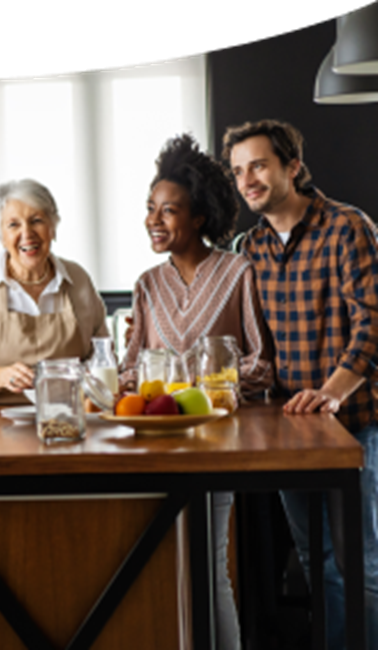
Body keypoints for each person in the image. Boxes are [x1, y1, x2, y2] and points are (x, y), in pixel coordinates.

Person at [223, 118, 378, 650]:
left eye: (259, 165)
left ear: (292, 167)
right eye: (239, 171)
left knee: (364, 563)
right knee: (315, 559)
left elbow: (373, 322)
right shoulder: (251, 247)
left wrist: (334, 391)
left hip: (355, 427)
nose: (248, 180)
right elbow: (247, 338)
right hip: (290, 431)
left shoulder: (347, 227)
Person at [120, 134, 274, 650]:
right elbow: (129, 370)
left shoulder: (237, 274)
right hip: (155, 447)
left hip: (216, 444)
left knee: (208, 566)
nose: (154, 221)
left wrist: (211, 384)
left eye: (169, 211)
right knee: (163, 567)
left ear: (200, 217)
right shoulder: (145, 285)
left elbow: (261, 363)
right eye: (150, 209)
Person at [0, 179, 109, 404]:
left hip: (70, 420)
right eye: (13, 225)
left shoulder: (78, 280)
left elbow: (102, 355)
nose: (27, 233)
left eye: (36, 221)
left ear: (53, 227)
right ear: (1, 236)